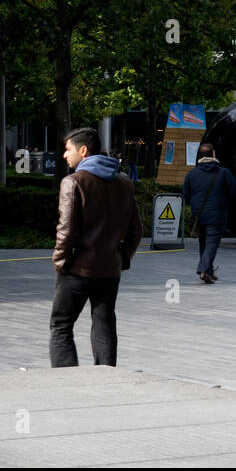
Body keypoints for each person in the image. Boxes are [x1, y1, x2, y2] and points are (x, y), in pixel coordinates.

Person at [50, 127, 142, 367]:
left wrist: (60, 262)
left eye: (68, 149)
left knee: (61, 325)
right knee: (104, 323)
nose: (64, 155)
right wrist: (122, 258)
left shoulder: (73, 182)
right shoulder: (124, 182)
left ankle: (66, 379)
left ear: (83, 150)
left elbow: (66, 230)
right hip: (109, 270)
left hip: (77, 269)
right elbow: (136, 231)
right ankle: (106, 376)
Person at [183, 142, 236, 282]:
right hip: (217, 214)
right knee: (212, 244)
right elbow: (235, 192)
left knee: (204, 243)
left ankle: (208, 271)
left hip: (199, 215)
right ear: (213, 154)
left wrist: (195, 205)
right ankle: (203, 269)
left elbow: (185, 195)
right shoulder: (223, 172)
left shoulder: (192, 173)